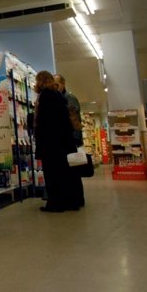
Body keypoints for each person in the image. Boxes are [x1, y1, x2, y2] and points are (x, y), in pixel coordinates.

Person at [34, 71, 78, 212]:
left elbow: (45, 122)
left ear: (40, 81)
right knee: (64, 173)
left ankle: (55, 204)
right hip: (63, 142)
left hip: (51, 144)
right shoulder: (58, 95)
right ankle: (69, 202)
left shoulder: (45, 96)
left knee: (52, 174)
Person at [54, 73, 86, 207]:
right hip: (65, 140)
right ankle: (71, 199)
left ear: (63, 84)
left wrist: (76, 140)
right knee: (68, 171)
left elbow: (74, 119)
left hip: (72, 139)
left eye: (57, 84)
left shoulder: (69, 98)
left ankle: (77, 200)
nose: (55, 87)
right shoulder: (58, 98)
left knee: (73, 171)